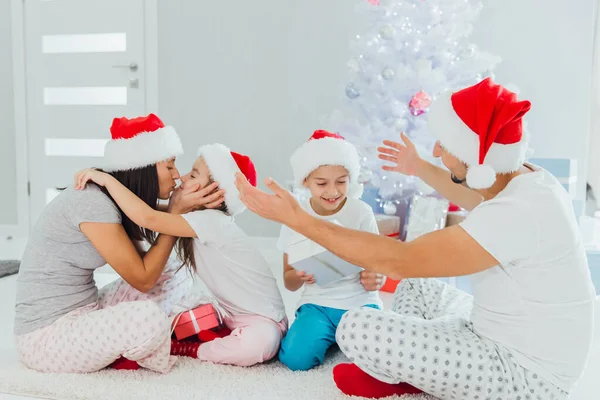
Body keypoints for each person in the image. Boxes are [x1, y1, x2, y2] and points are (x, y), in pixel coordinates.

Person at [234, 78, 596, 399]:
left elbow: (399, 260)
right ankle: (421, 369)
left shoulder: (516, 213)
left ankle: (414, 375)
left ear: (478, 155)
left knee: (356, 326)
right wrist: (420, 167)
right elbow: (476, 197)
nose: (437, 150)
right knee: (417, 289)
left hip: (525, 376)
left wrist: (296, 218)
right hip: (502, 334)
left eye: (445, 144)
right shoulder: (528, 182)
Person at [14, 114, 223, 374]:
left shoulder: (116, 200)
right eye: (169, 166)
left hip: (86, 311)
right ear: (143, 170)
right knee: (147, 319)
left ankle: (152, 336)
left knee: (172, 270)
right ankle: (158, 340)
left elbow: (151, 258)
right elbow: (142, 278)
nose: (177, 176)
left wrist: (181, 209)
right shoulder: (92, 203)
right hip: (46, 337)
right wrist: (175, 214)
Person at [74, 143, 287, 367]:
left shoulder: (213, 221)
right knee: (182, 317)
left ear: (215, 191)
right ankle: (204, 326)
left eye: (193, 174)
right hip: (229, 314)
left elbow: (148, 218)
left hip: (264, 320)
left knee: (258, 347)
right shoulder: (200, 220)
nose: (183, 178)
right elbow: (151, 211)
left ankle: (192, 349)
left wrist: (107, 181)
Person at [276, 130, 384, 371]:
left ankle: (341, 337)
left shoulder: (361, 212)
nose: (333, 191)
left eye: (342, 182)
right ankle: (332, 337)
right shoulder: (295, 217)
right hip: (318, 304)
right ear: (305, 181)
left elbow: (379, 265)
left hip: (360, 303)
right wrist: (299, 275)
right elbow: (289, 281)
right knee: (295, 359)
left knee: (380, 358)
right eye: (322, 183)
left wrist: (376, 277)